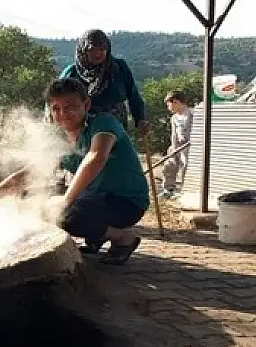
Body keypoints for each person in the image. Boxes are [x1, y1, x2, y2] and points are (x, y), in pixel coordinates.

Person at [45, 76, 149, 264]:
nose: (63, 113)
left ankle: (123, 239)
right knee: (36, 202)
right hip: (95, 199)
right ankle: (97, 236)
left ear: (86, 105)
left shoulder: (103, 123)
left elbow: (96, 157)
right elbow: (28, 172)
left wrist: (66, 200)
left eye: (69, 106)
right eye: (56, 108)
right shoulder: (62, 139)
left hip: (126, 202)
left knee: (65, 215)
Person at [59, 29, 148, 136]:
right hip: (84, 128)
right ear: (83, 50)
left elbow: (133, 95)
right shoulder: (72, 73)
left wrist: (140, 118)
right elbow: (56, 100)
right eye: (92, 50)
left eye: (102, 49)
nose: (98, 53)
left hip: (117, 125)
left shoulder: (119, 67)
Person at [160, 90, 193, 199]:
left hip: (191, 146)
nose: (168, 107)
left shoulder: (192, 114)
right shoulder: (174, 118)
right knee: (169, 164)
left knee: (186, 165)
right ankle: (168, 189)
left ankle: (185, 190)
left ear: (176, 102)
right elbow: (174, 134)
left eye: (169, 104)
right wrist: (174, 148)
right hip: (178, 145)